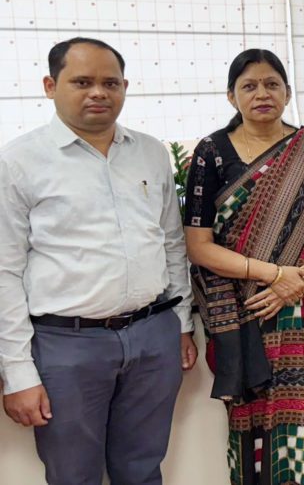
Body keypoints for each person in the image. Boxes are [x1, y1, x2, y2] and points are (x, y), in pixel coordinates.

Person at [0, 37, 197, 484]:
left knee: (143, 469)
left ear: (125, 87)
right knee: (74, 476)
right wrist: (17, 372)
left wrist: (181, 324)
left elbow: (171, 242)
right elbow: (5, 272)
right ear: (50, 86)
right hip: (66, 346)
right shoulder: (18, 162)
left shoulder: (149, 151)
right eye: (82, 82)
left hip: (152, 335)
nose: (98, 93)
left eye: (110, 83)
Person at [184, 49, 304, 485]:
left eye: (272, 84)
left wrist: (299, 279)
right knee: (257, 416)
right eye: (249, 86)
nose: (262, 93)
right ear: (232, 96)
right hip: (247, 307)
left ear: (287, 92)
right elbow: (199, 245)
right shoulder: (212, 153)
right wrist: (275, 276)